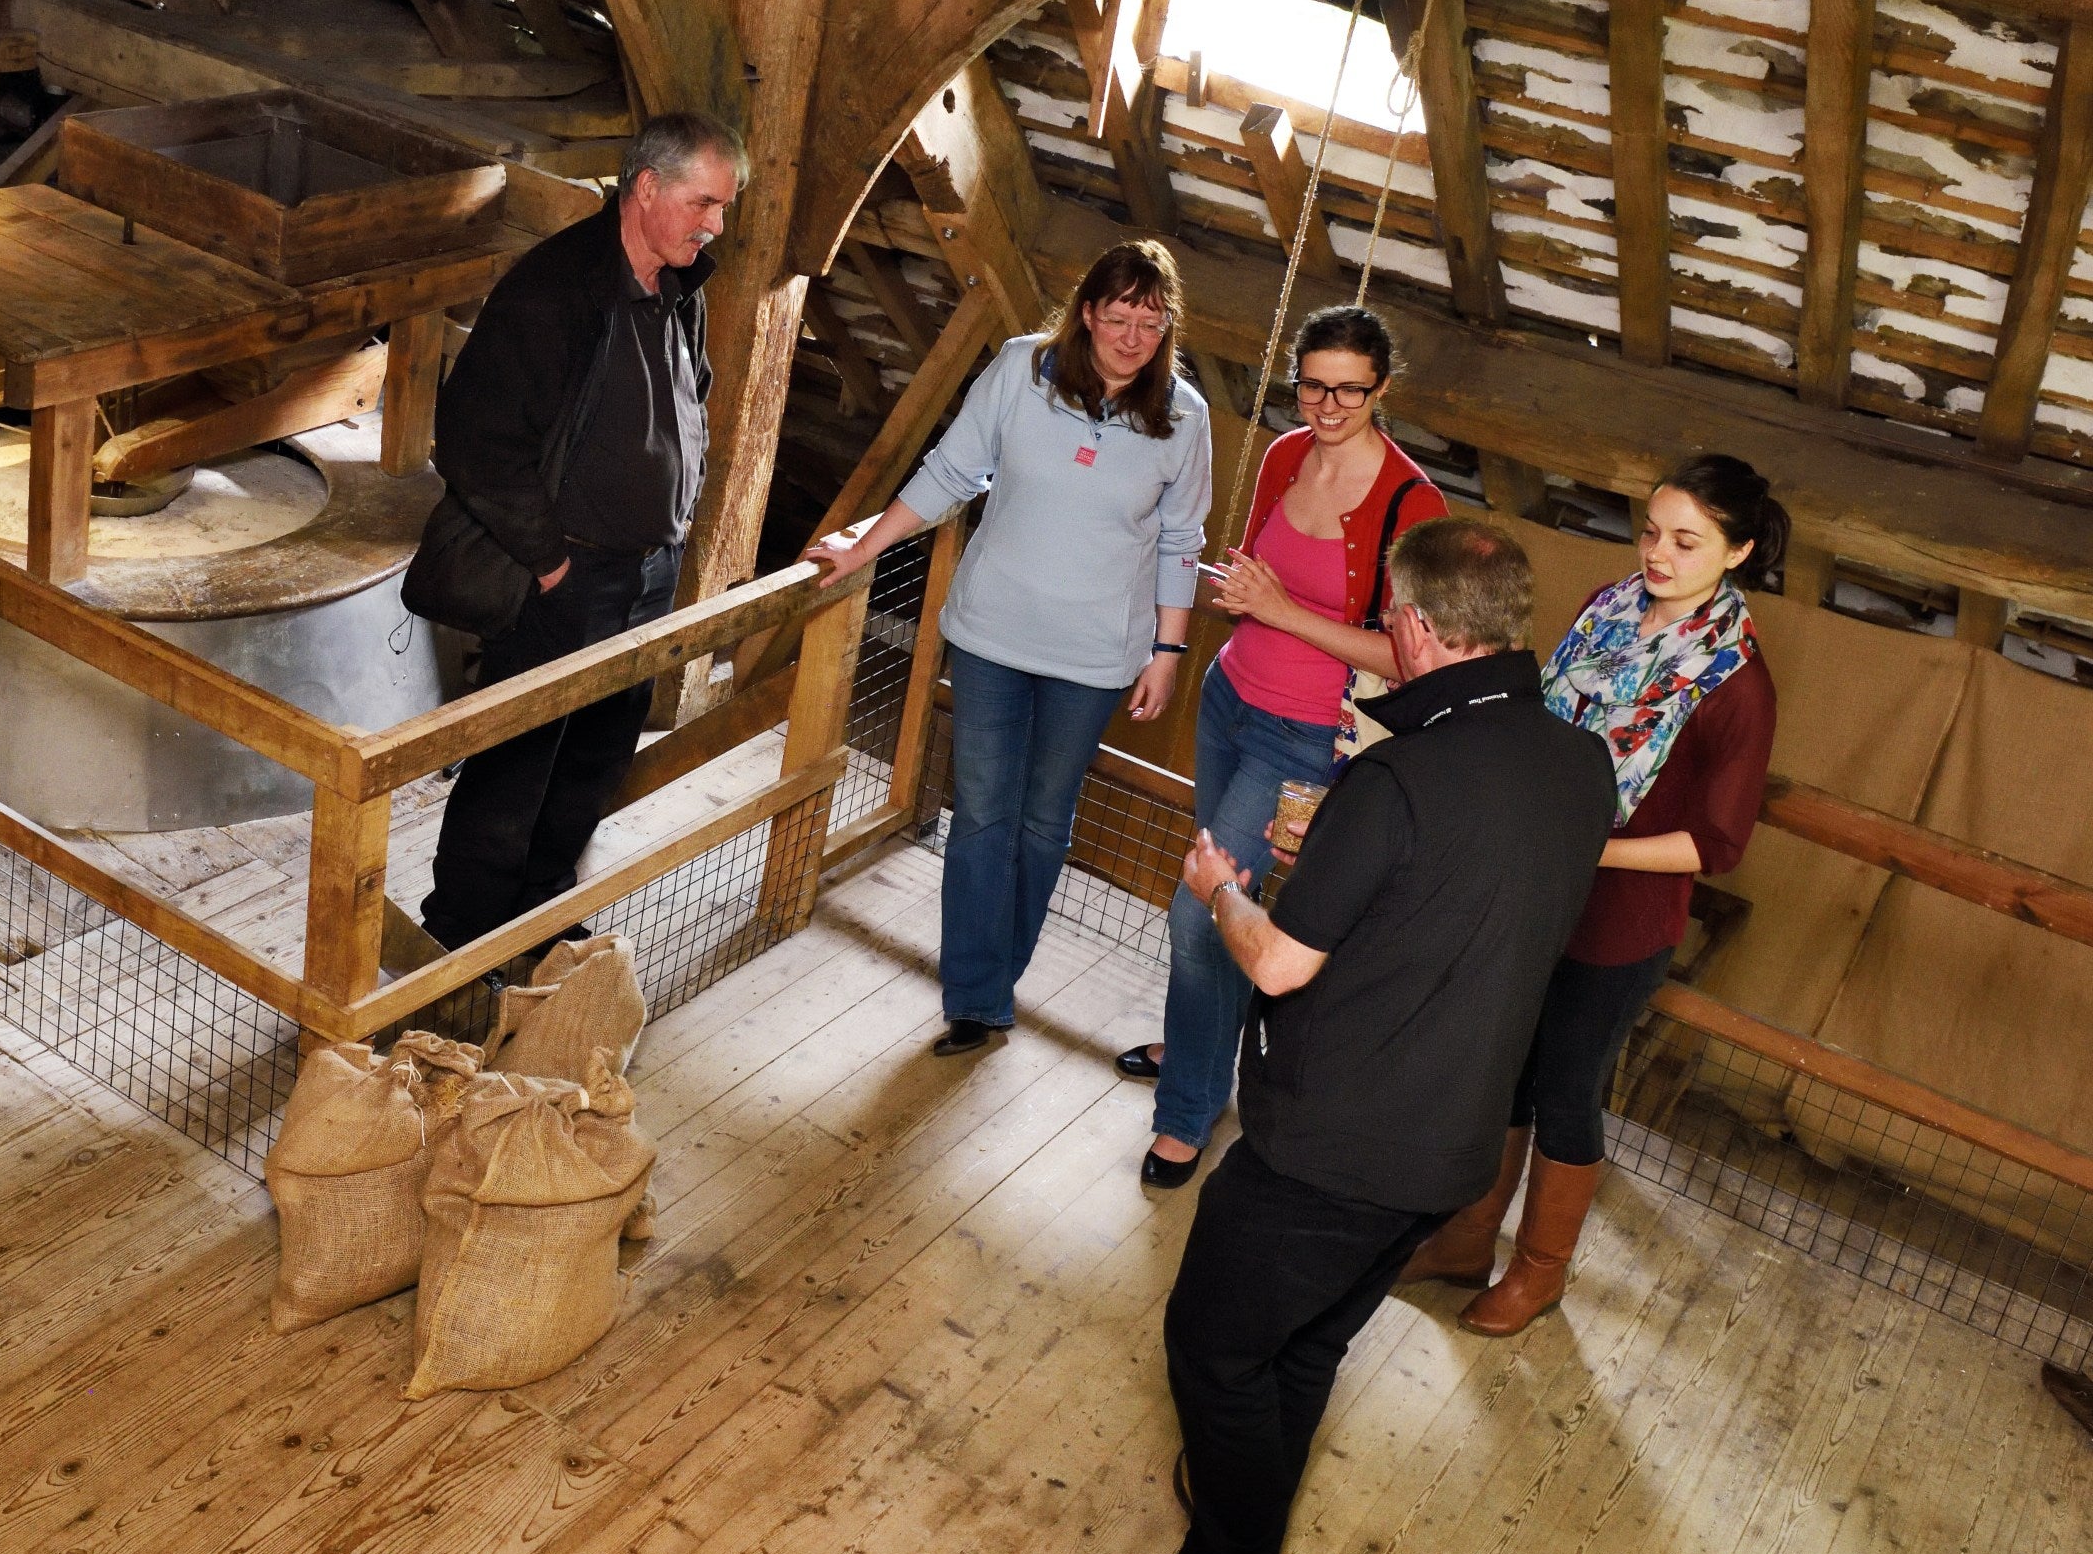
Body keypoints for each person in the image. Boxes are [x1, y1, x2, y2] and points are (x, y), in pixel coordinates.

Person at [1086, 518, 1615, 1554]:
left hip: (1333, 1150)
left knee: (1216, 1348)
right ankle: (1250, 1505)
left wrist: (1221, 888)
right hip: (1453, 1151)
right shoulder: (1580, 764)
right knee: (1309, 1343)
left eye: (1386, 619)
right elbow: (1461, 903)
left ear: (1413, 629)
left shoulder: (1396, 780)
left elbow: (1277, 966)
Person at [1400, 455, 1785, 1335]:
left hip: (1616, 921)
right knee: (1501, 1065)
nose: (1658, 552)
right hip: (1534, 883)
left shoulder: (1737, 683)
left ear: (1739, 551)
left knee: (1567, 1086)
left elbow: (1715, 845)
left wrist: (1594, 853)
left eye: (1687, 541)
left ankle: (1541, 1271)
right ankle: (1465, 1239)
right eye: (1651, 531)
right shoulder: (1606, 608)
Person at [811, 241, 1211, 1055]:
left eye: (1150, 319)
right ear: (1088, 312)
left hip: (1097, 655)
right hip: (993, 632)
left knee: (1041, 821)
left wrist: (1168, 651)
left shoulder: (1185, 415)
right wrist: (865, 546)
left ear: (1167, 323)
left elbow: (1180, 540)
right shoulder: (1022, 369)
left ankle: (998, 972)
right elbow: (952, 470)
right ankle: (977, 995)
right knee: (984, 815)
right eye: (1118, 316)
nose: (1132, 336)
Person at [1112, 306, 1446, 1189]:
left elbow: (1410, 660)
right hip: (1230, 698)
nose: (1327, 404)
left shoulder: (1414, 504)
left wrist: (1281, 611)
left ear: (1382, 390)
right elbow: (1255, 575)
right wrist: (1235, 594)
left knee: (1203, 905)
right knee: (1220, 899)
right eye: (1313, 384)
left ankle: (1187, 1113)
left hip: (1303, 737)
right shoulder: (1283, 454)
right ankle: (1199, 1044)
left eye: (1349, 390)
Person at [414, 112, 745, 950]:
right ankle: (460, 937)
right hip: (569, 576)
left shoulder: (681, 286)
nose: (715, 224)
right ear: (645, 189)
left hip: (645, 575)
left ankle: (541, 917)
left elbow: (687, 402)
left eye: (724, 208)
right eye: (705, 202)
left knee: (596, 754)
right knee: (519, 762)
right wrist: (551, 563)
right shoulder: (553, 289)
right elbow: (475, 445)